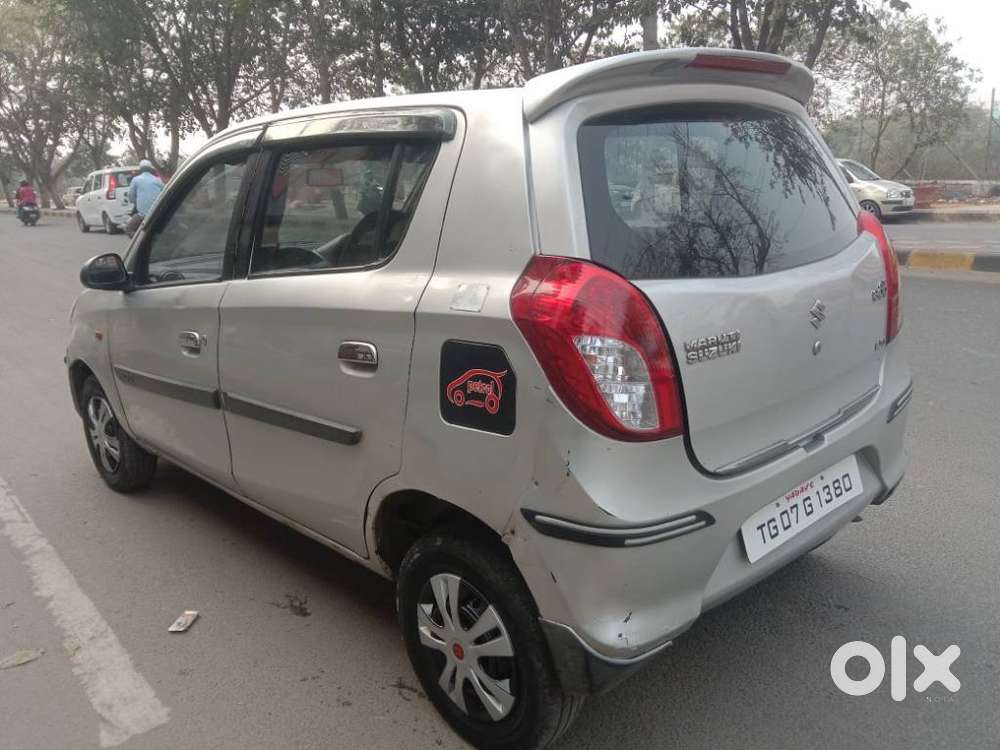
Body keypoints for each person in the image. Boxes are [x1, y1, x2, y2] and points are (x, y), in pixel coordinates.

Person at [126, 159, 164, 235]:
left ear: (140, 169)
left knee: (129, 229)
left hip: (142, 215)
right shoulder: (158, 180)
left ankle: (138, 245)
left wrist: (134, 201)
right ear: (150, 169)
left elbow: (131, 195)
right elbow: (164, 191)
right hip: (158, 212)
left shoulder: (136, 180)